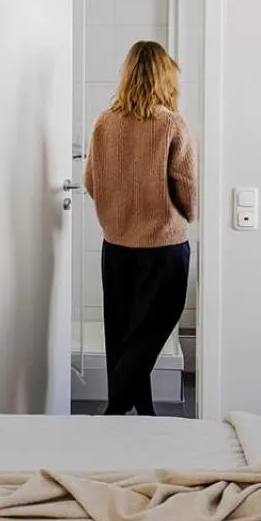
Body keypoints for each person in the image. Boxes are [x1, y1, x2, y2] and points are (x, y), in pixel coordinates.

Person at [83, 40, 197, 417]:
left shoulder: (104, 121)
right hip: (163, 248)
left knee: (123, 335)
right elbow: (187, 187)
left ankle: (141, 414)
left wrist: (116, 211)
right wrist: (184, 215)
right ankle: (115, 411)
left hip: (115, 247)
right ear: (166, 77)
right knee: (149, 332)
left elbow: (90, 181)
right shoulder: (170, 123)